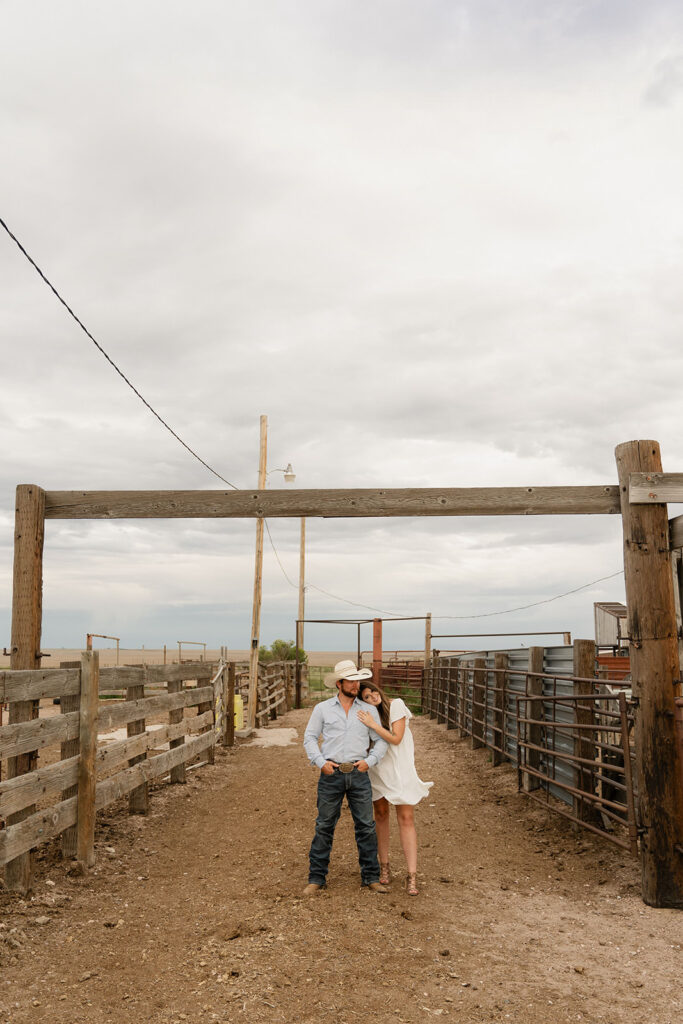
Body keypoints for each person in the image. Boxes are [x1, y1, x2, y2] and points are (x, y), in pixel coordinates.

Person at [302, 660, 390, 895]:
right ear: (339, 684)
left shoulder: (368, 710)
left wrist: (369, 761)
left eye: (357, 679)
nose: (355, 684)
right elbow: (309, 737)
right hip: (332, 773)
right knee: (324, 826)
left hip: (358, 773)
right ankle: (316, 878)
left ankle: (370, 877)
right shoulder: (322, 709)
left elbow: (381, 740)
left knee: (366, 827)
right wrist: (321, 762)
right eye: (350, 680)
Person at [357, 681, 433, 896]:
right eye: (366, 697)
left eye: (373, 692)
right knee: (380, 815)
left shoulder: (396, 705)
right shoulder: (365, 715)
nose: (372, 697)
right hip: (379, 769)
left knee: (406, 818)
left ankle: (412, 875)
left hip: (401, 770)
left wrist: (372, 724)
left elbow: (396, 739)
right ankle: (384, 866)